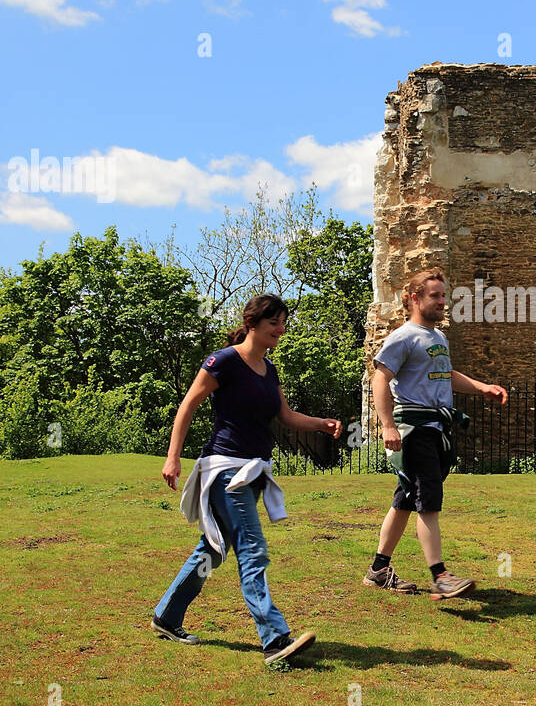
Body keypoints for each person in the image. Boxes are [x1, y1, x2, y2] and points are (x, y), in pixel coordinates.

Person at [154, 293, 342, 665]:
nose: (281, 329)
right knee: (252, 549)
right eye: (275, 322)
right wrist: (173, 456)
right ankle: (274, 640)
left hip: (254, 471)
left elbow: (285, 416)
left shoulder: (269, 371)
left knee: (212, 549)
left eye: (284, 322)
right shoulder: (224, 362)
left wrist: (320, 423)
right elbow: (188, 404)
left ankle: (167, 615)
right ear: (253, 322)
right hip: (225, 470)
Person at [365, 267, 507, 599]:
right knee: (427, 501)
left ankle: (378, 570)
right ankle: (440, 575)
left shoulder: (438, 338)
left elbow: (447, 375)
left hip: (436, 428)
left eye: (444, 295)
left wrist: (481, 387)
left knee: (405, 500)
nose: (443, 301)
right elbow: (380, 379)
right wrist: (387, 426)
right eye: (436, 296)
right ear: (415, 298)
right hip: (415, 431)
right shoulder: (403, 336)